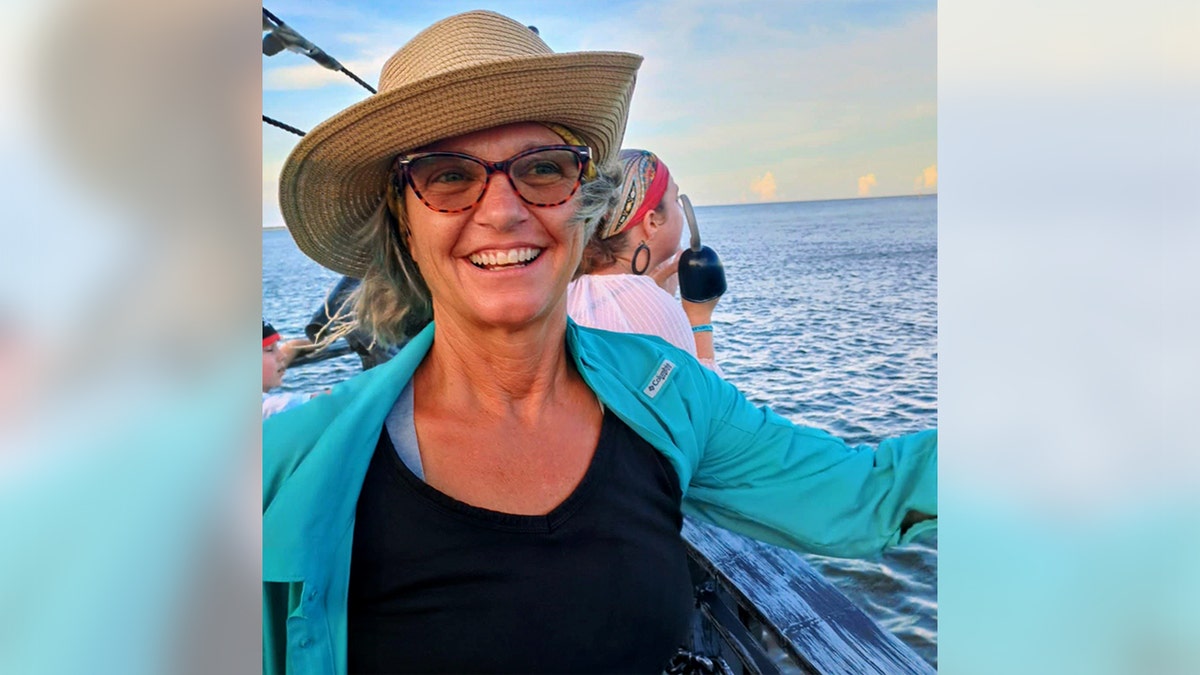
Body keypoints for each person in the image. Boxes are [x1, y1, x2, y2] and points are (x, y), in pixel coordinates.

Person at [263, 10, 936, 675]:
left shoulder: (668, 394)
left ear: (584, 203)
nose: (502, 210)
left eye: (544, 168)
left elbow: (869, 493)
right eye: (447, 175)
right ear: (403, 223)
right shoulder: (289, 469)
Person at [569, 148, 722, 373]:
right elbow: (704, 401)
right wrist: (698, 318)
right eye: (675, 200)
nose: (680, 210)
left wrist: (654, 289)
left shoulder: (566, 289)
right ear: (651, 222)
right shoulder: (656, 306)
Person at [261, 320, 317, 419]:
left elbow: (291, 348)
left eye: (277, 347)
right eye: (269, 349)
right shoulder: (270, 408)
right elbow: (334, 399)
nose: (282, 356)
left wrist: (297, 345)